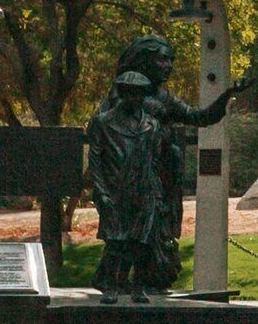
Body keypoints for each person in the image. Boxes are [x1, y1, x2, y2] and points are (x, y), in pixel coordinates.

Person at [84, 35, 233, 300]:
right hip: (119, 184)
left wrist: (226, 98)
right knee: (120, 238)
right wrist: (103, 189)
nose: (168, 65)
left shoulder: (164, 98)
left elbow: (199, 117)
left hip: (154, 180)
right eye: (163, 59)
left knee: (146, 238)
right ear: (145, 60)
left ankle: (134, 283)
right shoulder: (114, 105)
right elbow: (101, 150)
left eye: (171, 60)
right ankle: (110, 282)